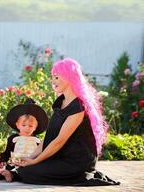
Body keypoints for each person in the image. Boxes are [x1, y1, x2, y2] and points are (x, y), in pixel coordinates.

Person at [10, 58, 120, 186]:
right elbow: (48, 139)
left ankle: (80, 175)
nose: (53, 82)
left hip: (76, 162)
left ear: (69, 77)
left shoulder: (78, 107)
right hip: (60, 157)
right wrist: (31, 157)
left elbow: (59, 141)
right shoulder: (60, 102)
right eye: (53, 78)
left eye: (56, 77)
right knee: (26, 169)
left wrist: (35, 162)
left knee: (29, 171)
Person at [0, 98, 48, 182]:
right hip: (15, 161)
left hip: (29, 163)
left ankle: (10, 175)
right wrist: (2, 161)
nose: (27, 128)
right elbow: (7, 152)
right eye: (24, 125)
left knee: (30, 171)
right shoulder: (13, 139)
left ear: (35, 127)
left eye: (30, 126)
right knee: (8, 167)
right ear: (17, 125)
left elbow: (40, 154)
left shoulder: (37, 140)